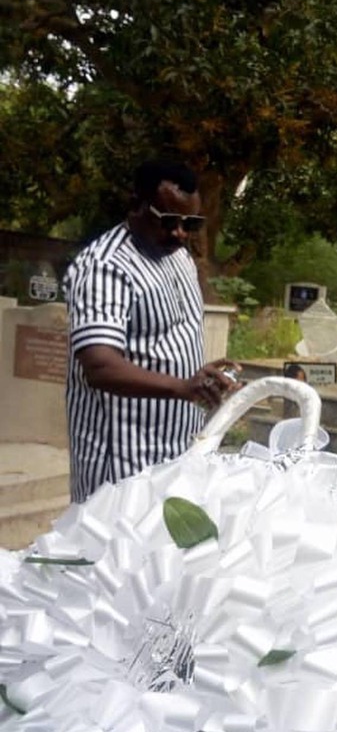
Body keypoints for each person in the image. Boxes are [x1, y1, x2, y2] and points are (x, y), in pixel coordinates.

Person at [64, 159, 242, 503]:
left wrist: (202, 379)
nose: (180, 233)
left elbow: (168, 339)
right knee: (117, 555)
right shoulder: (104, 267)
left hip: (177, 454)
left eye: (189, 223)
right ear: (136, 206)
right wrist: (181, 386)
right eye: (169, 221)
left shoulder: (178, 257)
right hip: (121, 468)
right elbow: (99, 366)